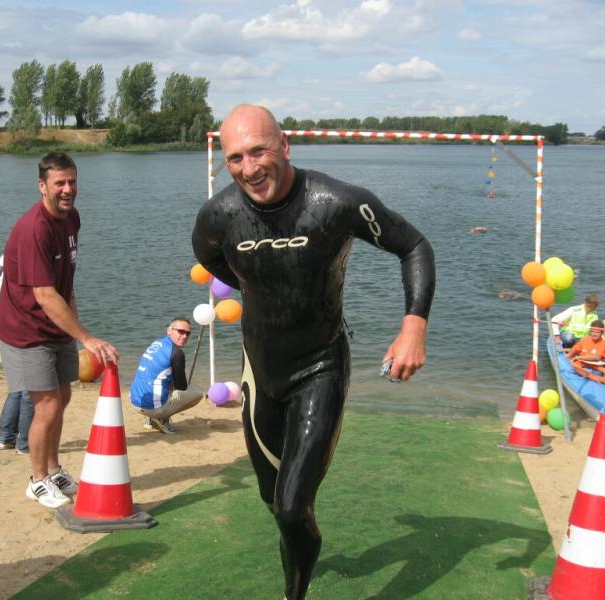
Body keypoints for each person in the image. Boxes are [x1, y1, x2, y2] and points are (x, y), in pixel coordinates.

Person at [191, 104, 435, 600]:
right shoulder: (220, 214)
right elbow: (208, 254)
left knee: (290, 508)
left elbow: (413, 246)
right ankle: (299, 531)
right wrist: (261, 284)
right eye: (235, 157)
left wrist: (413, 326)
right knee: (274, 500)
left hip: (319, 368)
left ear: (284, 146)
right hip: (260, 373)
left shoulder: (337, 202)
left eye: (259, 151)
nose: (249, 168)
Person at [0, 152, 119, 509]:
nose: (67, 189)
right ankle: (36, 481)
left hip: (56, 326)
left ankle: (52, 469)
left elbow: (65, 283)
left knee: (62, 398)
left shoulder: (71, 218)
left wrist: (72, 330)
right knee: (47, 406)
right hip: (26, 331)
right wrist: (87, 338)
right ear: (42, 186)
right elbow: (45, 295)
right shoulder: (34, 229)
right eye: (59, 183)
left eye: (72, 181)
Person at [0, 254, 34, 455]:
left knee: (17, 387)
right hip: (24, 327)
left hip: (4, 325)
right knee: (30, 388)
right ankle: (24, 442)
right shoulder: (28, 260)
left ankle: (5, 436)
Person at [129, 317, 205, 434]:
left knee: (161, 378)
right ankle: (162, 419)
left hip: (134, 400)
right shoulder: (177, 353)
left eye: (187, 333)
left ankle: (149, 419)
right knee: (198, 392)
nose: (184, 336)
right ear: (169, 330)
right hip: (151, 407)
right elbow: (181, 386)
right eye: (181, 331)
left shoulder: (157, 343)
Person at [565, 319, 605, 384]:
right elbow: (575, 349)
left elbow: (596, 357)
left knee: (587, 372)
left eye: (597, 332)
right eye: (593, 331)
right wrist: (568, 357)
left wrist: (580, 357)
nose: (594, 334)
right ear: (590, 331)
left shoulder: (604, 344)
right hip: (581, 365)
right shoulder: (585, 339)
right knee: (570, 368)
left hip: (595, 369)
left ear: (602, 333)